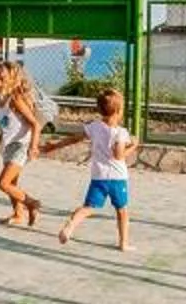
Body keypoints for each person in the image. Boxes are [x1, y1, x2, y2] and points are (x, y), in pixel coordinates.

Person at [57, 89, 136, 251]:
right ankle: (123, 243)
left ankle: (71, 225)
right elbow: (119, 156)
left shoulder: (94, 126)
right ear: (119, 111)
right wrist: (134, 145)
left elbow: (75, 137)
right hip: (117, 177)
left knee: (89, 207)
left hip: (98, 176)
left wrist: (54, 146)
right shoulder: (121, 132)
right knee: (122, 210)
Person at [0, 61, 51, 230]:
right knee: (12, 184)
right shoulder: (2, 100)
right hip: (8, 146)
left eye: (0, 79)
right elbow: (7, 127)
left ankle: (32, 203)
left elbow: (35, 124)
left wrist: (33, 147)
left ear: (12, 79)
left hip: (21, 146)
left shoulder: (15, 99)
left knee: (3, 183)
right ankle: (18, 214)